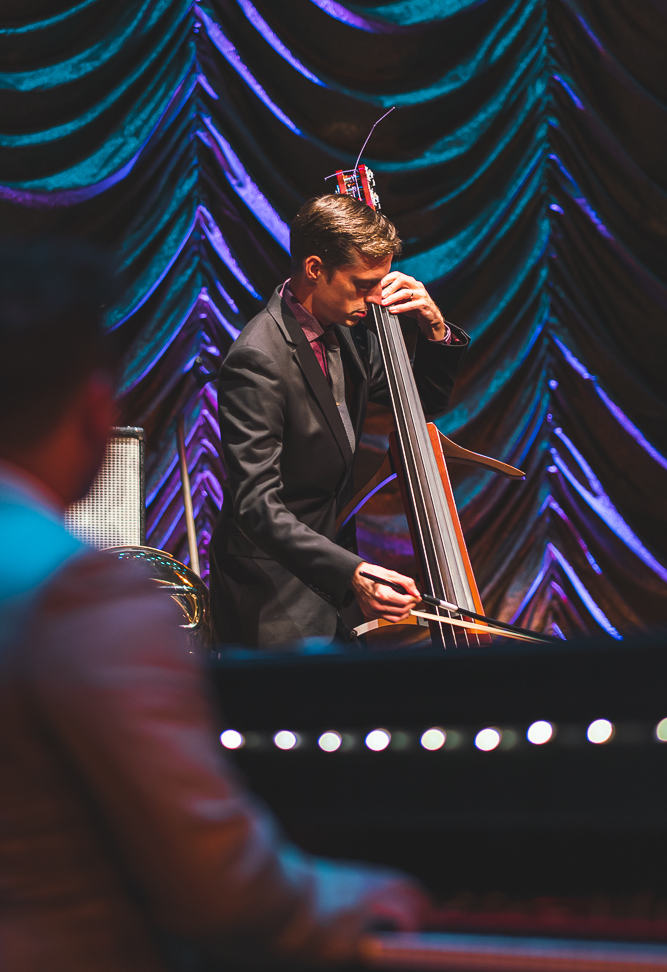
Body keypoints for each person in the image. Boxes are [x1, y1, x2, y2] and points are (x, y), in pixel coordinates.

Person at [0, 242, 429, 972]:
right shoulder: (80, 596)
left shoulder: (349, 337)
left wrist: (432, 333)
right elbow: (221, 887)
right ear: (94, 409)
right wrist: (370, 896)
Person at [209, 194, 469, 650]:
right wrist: (351, 571)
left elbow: (416, 402)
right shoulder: (258, 358)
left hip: (333, 585)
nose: (375, 299)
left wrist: (435, 328)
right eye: (362, 283)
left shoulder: (344, 330)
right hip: (274, 595)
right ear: (314, 269)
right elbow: (256, 505)